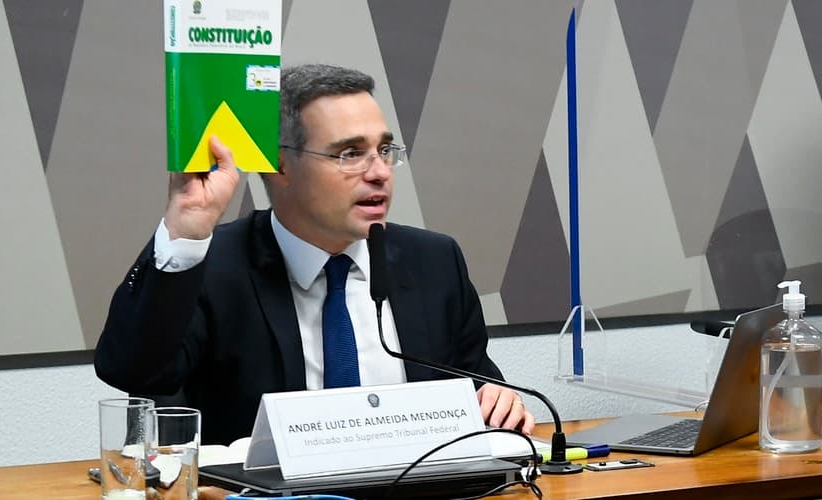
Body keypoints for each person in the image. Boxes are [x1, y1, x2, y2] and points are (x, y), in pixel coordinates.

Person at [94, 64, 534, 445]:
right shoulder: (211, 267)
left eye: (383, 150)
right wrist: (186, 227)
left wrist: (496, 402)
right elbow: (133, 371)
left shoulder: (434, 262)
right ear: (280, 166)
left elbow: (477, 387)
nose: (379, 173)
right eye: (350, 154)